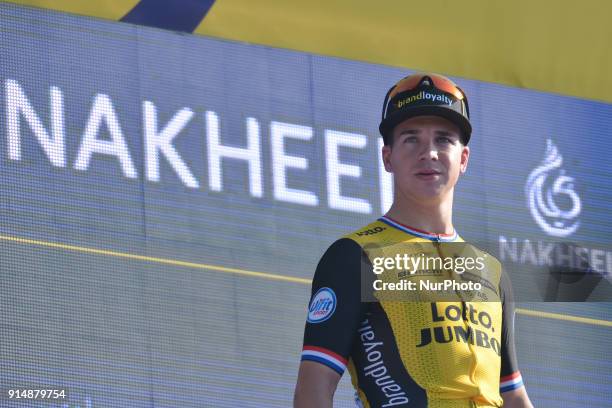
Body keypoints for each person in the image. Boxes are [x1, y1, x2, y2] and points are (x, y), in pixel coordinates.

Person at [293, 73, 533, 407]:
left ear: (463, 158)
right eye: (411, 139)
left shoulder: (491, 271)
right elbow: (313, 388)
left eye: (444, 139)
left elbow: (513, 395)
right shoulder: (355, 256)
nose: (429, 153)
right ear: (387, 157)